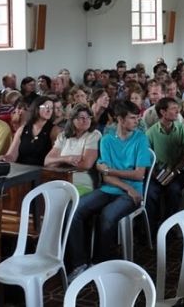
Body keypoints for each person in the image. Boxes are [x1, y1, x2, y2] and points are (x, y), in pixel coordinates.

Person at [67, 101, 152, 277]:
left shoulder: (140, 138)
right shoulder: (106, 140)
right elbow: (106, 177)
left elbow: (139, 175)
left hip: (133, 193)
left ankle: (100, 263)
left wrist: (109, 170)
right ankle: (79, 263)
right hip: (113, 188)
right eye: (132, 118)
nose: (137, 121)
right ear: (120, 119)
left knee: (107, 215)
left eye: (137, 117)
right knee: (74, 210)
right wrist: (126, 186)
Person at [145, 97, 184, 228]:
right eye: (173, 109)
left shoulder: (182, 129)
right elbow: (147, 158)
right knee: (150, 193)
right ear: (163, 112)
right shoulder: (150, 133)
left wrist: (174, 171)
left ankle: (169, 225)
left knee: (173, 190)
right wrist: (158, 176)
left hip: (178, 171)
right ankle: (152, 227)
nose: (177, 111)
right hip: (157, 172)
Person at [44, 103, 102, 194]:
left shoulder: (94, 135)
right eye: (81, 118)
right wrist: (67, 159)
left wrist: (58, 161)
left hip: (82, 182)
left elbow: (86, 165)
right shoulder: (63, 136)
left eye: (88, 117)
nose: (86, 120)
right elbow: (47, 161)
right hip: (59, 179)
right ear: (72, 120)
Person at [1, 96, 60, 165]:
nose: (49, 110)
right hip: (20, 168)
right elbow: (11, 156)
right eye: (46, 107)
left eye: (51, 108)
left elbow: (54, 160)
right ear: (36, 108)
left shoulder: (55, 130)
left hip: (41, 170)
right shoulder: (22, 129)